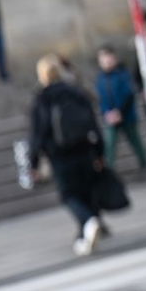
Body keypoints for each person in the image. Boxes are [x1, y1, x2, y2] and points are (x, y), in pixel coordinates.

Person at [27, 53, 109, 256]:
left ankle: (88, 223)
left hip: (60, 155)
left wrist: (33, 162)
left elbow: (38, 134)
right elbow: (93, 123)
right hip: (85, 149)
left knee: (69, 195)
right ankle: (87, 230)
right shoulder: (75, 92)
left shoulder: (42, 98)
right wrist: (100, 151)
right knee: (86, 191)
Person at [96, 45, 146, 171]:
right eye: (103, 59)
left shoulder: (122, 74)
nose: (107, 62)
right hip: (110, 117)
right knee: (110, 144)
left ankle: (145, 164)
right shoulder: (101, 79)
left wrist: (119, 112)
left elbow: (128, 95)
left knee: (135, 141)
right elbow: (102, 99)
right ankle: (108, 170)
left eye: (108, 58)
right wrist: (107, 113)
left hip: (126, 115)